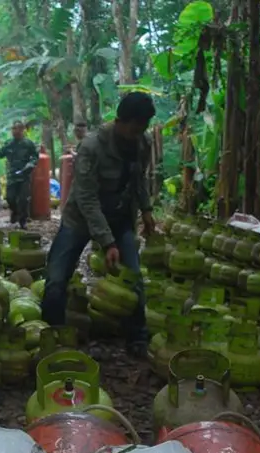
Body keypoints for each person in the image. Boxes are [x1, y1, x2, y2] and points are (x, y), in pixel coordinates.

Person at [41, 92, 157, 357]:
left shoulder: (142, 142)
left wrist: (147, 210)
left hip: (120, 217)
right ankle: (52, 337)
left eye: (143, 128)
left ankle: (137, 337)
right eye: (135, 127)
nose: (138, 133)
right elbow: (86, 198)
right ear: (119, 121)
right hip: (80, 219)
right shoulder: (92, 147)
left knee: (134, 279)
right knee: (57, 279)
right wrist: (107, 242)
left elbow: (138, 180)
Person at [0, 120, 38, 228]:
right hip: (12, 176)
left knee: (23, 199)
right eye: (13, 129)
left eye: (16, 129)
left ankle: (23, 221)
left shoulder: (28, 144)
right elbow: (0, 155)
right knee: (10, 198)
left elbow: (35, 157)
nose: (14, 131)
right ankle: (15, 212)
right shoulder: (9, 143)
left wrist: (31, 164)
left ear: (22, 130)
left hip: (24, 175)